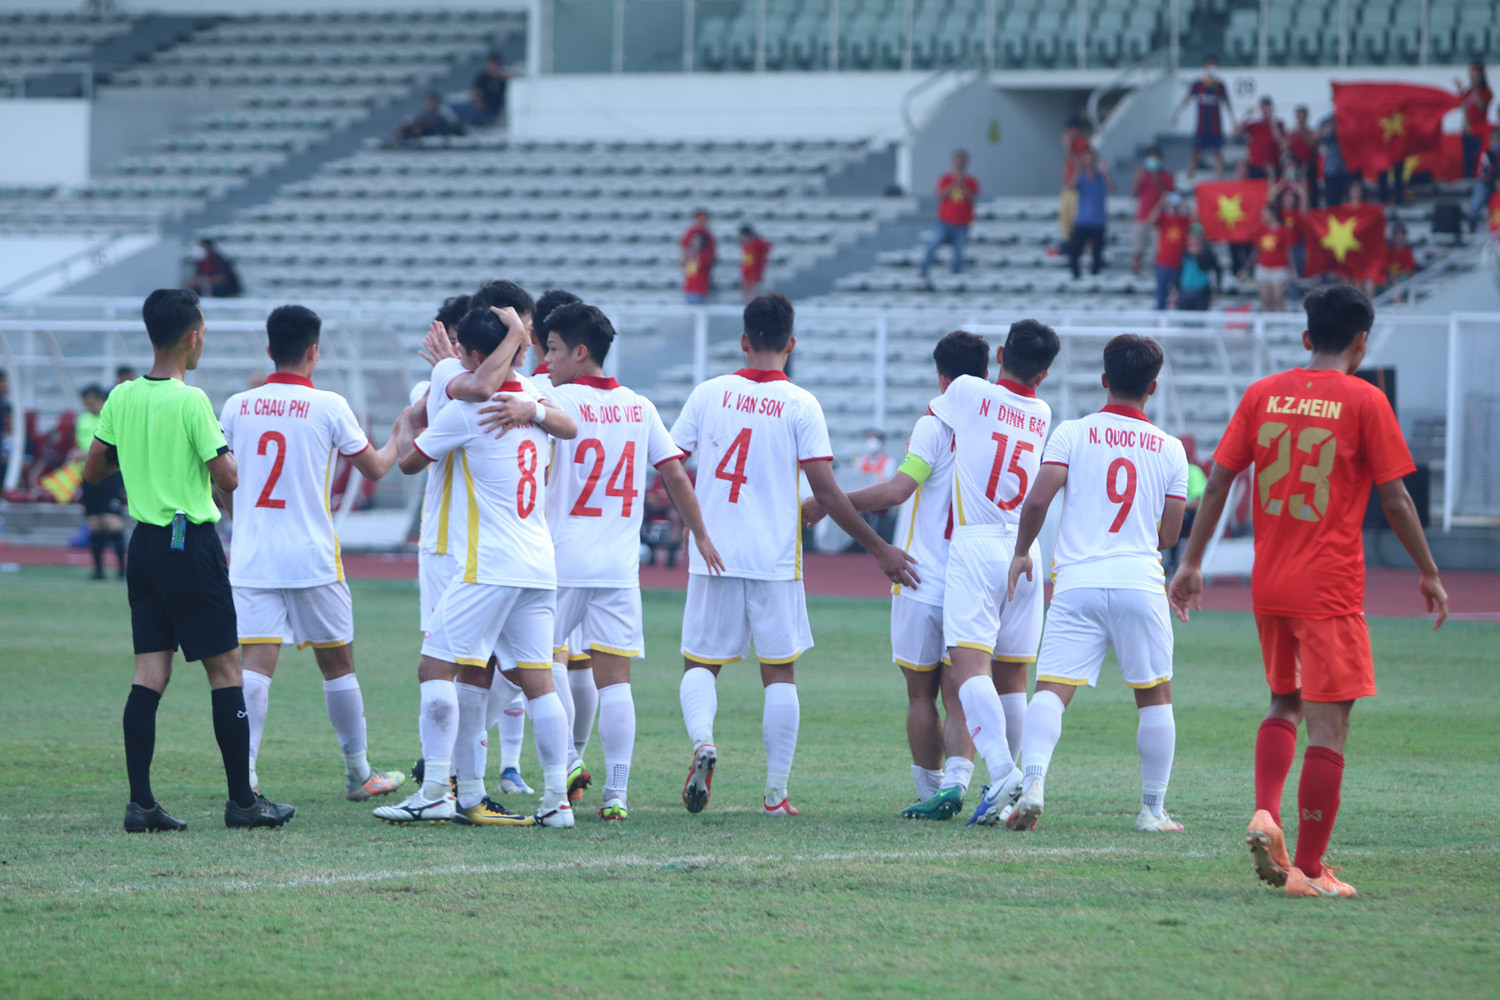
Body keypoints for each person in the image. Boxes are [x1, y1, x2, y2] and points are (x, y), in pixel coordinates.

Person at [1168, 283, 1449, 899]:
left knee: (1284, 702)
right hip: (1329, 587)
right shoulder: (1365, 399)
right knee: (1331, 727)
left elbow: (1217, 484)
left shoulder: (1263, 394)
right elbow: (1396, 498)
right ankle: (1312, 871)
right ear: (1360, 342)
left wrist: (1190, 564)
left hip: (1270, 583)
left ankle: (1266, 812)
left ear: (1304, 337)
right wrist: (1428, 571)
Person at [669, 293, 918, 817]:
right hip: (775, 557)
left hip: (714, 550)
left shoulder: (708, 393)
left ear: (743, 341)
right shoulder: (801, 404)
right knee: (779, 673)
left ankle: (703, 743)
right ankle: (775, 794)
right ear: (791, 344)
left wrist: (696, 528)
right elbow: (827, 492)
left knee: (700, 663)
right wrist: (879, 549)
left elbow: (672, 467)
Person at [82, 288, 295, 832]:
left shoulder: (122, 396)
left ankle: (141, 804)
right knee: (225, 669)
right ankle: (243, 803)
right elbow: (229, 477)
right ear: (192, 336)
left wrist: (143, 458)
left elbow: (93, 470)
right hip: (187, 540)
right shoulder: (191, 400)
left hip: (145, 544)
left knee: (149, 671)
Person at [382, 306, 578, 828]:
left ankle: (433, 791)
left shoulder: (468, 407)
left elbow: (408, 463)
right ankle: (556, 801)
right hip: (539, 563)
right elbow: (569, 426)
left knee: (434, 667)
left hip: (490, 563)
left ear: (470, 355)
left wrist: (405, 426)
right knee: (538, 681)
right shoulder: (534, 398)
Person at [800, 331, 1002, 821]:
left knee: (920, 694)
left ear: (941, 377)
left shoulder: (933, 426)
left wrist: (831, 502)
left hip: (919, 572)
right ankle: (957, 783)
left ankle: (931, 788)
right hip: (973, 575)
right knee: (962, 689)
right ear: (987, 376)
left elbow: (897, 490)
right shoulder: (996, 431)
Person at [537, 302, 725, 821]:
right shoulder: (638, 405)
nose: (545, 359)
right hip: (620, 564)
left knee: (538, 663)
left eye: (552, 349)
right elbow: (676, 474)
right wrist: (701, 535)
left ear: (580, 352)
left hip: (561, 558)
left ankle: (570, 762)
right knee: (615, 680)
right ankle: (617, 795)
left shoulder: (553, 396)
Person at [218, 305, 410, 802]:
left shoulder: (238, 405)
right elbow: (374, 469)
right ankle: (358, 773)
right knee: (338, 664)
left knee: (255, 664)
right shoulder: (329, 405)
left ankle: (248, 777)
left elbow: (222, 482)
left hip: (254, 556)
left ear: (268, 351)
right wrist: (399, 434)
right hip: (312, 557)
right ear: (313, 352)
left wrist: (243, 524)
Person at [1005, 334, 1189, 833]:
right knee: (1154, 696)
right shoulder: (1172, 450)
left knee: (1050, 690)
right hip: (1139, 581)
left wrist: (1022, 552)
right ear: (1152, 388)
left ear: (1105, 380)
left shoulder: (1073, 432)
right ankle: (1152, 810)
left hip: (1077, 581)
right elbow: (1169, 534)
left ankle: (1035, 780)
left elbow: (1038, 501)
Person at [927, 320, 1059, 828]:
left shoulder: (965, 390)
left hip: (977, 541)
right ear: (1044, 374)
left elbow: (935, 416)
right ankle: (1016, 781)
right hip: (1025, 549)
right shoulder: (1043, 411)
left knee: (968, 670)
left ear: (1001, 352)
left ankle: (1003, 772)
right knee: (1013, 675)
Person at [74, 385, 125, 580]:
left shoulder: (110, 416)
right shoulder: (83, 419)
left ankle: (121, 570)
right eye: (85, 404)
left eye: (91, 403)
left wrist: (85, 453)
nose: (88, 407)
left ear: (100, 400)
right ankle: (98, 571)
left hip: (110, 475)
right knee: (94, 522)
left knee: (112, 522)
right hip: (88, 475)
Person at [920, 149, 979, 279]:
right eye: (957, 160)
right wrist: (954, 183)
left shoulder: (971, 181)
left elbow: (973, 197)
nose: (959, 163)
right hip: (945, 222)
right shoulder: (946, 179)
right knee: (932, 246)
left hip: (962, 224)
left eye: (962, 161)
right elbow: (941, 195)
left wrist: (962, 184)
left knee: (959, 253)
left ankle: (956, 277)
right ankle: (923, 272)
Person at [1174, 55, 1233, 179]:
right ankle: (1188, 179)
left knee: (1217, 154)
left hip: (1215, 127)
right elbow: (1186, 99)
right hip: (1201, 127)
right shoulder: (1197, 84)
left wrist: (1233, 121)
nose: (1212, 68)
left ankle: (1220, 180)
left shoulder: (1220, 86)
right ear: (1205, 67)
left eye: (1215, 66)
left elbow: (1228, 104)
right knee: (1195, 153)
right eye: (1210, 66)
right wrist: (1177, 113)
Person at [1067, 148, 1112, 279]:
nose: (1089, 162)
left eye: (1090, 158)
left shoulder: (1100, 176)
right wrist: (1078, 169)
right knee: (1076, 251)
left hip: (1098, 221)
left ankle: (1095, 277)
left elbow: (1112, 187)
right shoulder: (1080, 176)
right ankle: (1076, 276)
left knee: (1097, 253)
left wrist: (1105, 173)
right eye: (1086, 159)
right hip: (1082, 220)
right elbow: (1070, 186)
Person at [1131, 146, 1175, 276]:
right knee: (1137, 251)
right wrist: (1138, 179)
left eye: (1155, 157)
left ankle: (1157, 277)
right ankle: (1135, 276)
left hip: (1159, 219)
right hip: (1142, 218)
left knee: (1159, 252)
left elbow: (1170, 196)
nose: (1153, 160)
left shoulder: (1167, 176)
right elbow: (1134, 194)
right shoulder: (1142, 175)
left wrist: (1157, 180)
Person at [1244, 202, 1294, 313]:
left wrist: (1293, 271)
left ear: (1271, 214)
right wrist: (1245, 269)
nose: (1262, 215)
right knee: (1265, 299)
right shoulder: (1261, 230)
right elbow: (1256, 251)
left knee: (1278, 299)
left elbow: (1289, 252)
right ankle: (1267, 325)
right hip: (1263, 266)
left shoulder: (1283, 230)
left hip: (1279, 267)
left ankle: (1280, 323)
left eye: (1264, 212)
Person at [1149, 192, 1192, 310]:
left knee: (1179, 296)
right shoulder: (1164, 217)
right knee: (1161, 295)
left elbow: (1196, 222)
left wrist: (1186, 206)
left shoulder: (1184, 219)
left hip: (1179, 264)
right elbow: (1151, 220)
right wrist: (1161, 203)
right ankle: (1159, 322)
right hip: (1162, 263)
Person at [1059, 119, 1091, 243]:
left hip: (1079, 185)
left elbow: (1078, 163)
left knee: (1075, 216)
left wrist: (1068, 147)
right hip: (1069, 184)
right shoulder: (1071, 143)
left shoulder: (1083, 143)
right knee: (1066, 216)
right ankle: (1069, 241)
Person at [1238, 97, 1286, 180]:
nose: (1265, 110)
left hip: (1273, 166)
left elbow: (1279, 140)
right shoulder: (1254, 125)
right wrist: (1245, 115)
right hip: (1255, 166)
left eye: (1267, 107)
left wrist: (1271, 121)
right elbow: (1237, 132)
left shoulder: (1279, 124)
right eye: (1263, 107)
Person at [392, 92, 465, 146]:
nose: (430, 105)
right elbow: (417, 124)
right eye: (428, 103)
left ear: (437, 103)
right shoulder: (423, 115)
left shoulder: (445, 116)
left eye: (432, 103)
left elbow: (455, 128)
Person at [1459, 62, 1492, 179]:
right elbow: (1465, 111)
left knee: (1478, 159)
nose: (1472, 78)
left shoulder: (1486, 92)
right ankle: (1467, 181)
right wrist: (1464, 126)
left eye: (1475, 75)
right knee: (1467, 160)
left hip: (1480, 131)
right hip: (1468, 130)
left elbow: (1481, 107)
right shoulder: (1467, 92)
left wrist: (1476, 88)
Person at [1176, 227, 1221, 310]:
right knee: (1183, 320)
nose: (1194, 241)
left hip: (1201, 292)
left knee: (1199, 320)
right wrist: (1176, 289)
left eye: (1196, 238)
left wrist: (1216, 290)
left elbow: (1217, 271)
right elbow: (1178, 271)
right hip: (1184, 292)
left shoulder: (1208, 254)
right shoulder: (1183, 252)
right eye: (1191, 238)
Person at [1287, 105, 1321, 206]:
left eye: (1303, 116)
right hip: (1295, 169)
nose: (1301, 118)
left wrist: (1302, 132)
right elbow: (1284, 148)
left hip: (1309, 169)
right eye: (1299, 116)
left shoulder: (1312, 133)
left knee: (1312, 195)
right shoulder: (1292, 134)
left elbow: (1314, 146)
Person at [1319, 112, 1350, 207]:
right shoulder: (1327, 122)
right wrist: (1329, 127)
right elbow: (1317, 138)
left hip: (1347, 168)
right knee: (1332, 202)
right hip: (1331, 170)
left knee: (1349, 200)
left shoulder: (1350, 119)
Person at [679, 208, 717, 287]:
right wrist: (684, 259)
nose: (702, 220)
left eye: (704, 218)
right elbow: (685, 247)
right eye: (700, 218)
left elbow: (712, 251)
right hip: (693, 260)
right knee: (693, 280)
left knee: (700, 281)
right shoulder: (691, 231)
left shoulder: (708, 233)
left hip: (704, 261)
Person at [474, 55, 514, 126]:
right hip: (482, 106)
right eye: (490, 65)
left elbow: (516, 77)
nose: (492, 67)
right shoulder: (484, 77)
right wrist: (477, 101)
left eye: (494, 65)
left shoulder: (503, 78)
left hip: (493, 109)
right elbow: (474, 90)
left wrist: (501, 75)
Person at [739, 225, 772, 303]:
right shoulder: (745, 244)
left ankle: (752, 304)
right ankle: (745, 303)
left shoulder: (758, 243)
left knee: (752, 289)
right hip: (746, 269)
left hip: (755, 270)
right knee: (745, 288)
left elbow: (767, 247)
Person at [683, 231, 712, 303]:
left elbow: (698, 267)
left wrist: (692, 255)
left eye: (696, 240)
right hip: (689, 289)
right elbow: (683, 264)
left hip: (699, 290)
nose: (694, 242)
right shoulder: (691, 254)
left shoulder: (705, 255)